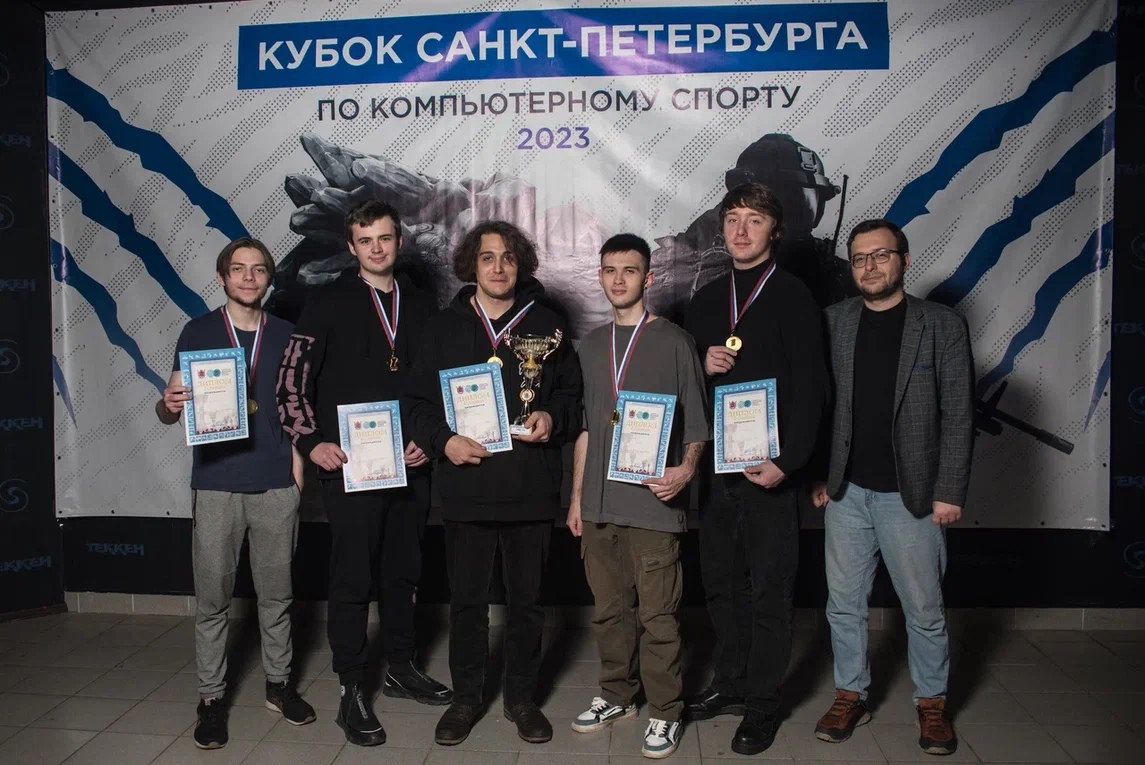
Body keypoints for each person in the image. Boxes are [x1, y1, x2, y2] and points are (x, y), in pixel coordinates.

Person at [277, 199, 451, 748]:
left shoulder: (421, 303)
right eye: (366, 240)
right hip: (352, 465)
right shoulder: (327, 303)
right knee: (352, 578)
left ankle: (400, 666)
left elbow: (440, 381)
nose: (377, 248)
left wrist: (430, 438)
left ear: (400, 241)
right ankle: (351, 685)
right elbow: (291, 381)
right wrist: (312, 442)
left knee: (403, 572)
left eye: (385, 238)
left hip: (410, 464)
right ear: (352, 247)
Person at [405, 220, 583, 747]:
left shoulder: (548, 325)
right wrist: (444, 442)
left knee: (527, 604)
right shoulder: (442, 328)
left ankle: (522, 698)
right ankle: (466, 699)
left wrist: (551, 417)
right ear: (472, 265)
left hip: (530, 488)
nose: (499, 267)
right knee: (467, 604)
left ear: (520, 263)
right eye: (487, 257)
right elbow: (415, 404)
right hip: (467, 488)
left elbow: (571, 397)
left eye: (508, 257)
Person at [810, 218, 973, 756]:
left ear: (903, 259)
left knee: (923, 608)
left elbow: (958, 414)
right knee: (843, 604)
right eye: (860, 258)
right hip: (847, 492)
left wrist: (950, 490)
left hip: (914, 494)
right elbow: (823, 405)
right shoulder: (834, 321)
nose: (870, 266)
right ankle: (850, 694)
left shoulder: (941, 324)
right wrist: (821, 474)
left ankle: (932, 703)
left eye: (881, 255)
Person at [683, 183, 829, 754]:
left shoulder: (793, 295)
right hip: (716, 471)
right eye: (733, 219)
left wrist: (788, 463)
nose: (741, 230)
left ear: (775, 231)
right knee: (721, 584)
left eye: (755, 220)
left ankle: (763, 704)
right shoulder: (704, 298)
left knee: (769, 590)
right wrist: (701, 363)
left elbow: (813, 388)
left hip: (769, 470)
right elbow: (684, 389)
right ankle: (730, 682)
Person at [157, 237, 315, 750]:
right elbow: (170, 409)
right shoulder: (198, 331)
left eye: (259, 269)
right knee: (212, 600)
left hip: (274, 484)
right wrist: (168, 404)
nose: (249, 277)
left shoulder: (287, 334)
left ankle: (278, 685)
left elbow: (299, 407)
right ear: (222, 277)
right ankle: (210, 700)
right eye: (239, 269)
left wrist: (297, 467)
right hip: (217, 483)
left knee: (278, 596)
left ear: (269, 277)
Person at [566, 234, 710, 759]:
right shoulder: (589, 346)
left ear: (648, 278)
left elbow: (697, 423)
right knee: (609, 612)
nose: (619, 279)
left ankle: (666, 711)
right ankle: (617, 696)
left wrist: (685, 471)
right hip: (600, 505)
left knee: (658, 617)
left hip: (653, 504)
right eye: (610, 270)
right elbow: (586, 429)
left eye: (629, 270)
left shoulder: (675, 342)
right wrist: (577, 499)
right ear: (600, 277)